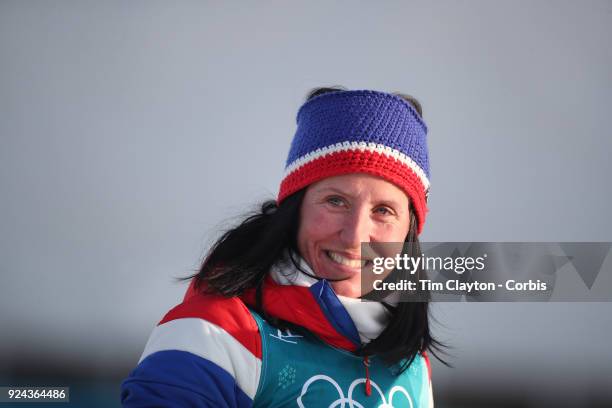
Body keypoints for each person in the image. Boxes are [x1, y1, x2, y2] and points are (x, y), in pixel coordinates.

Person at [121, 86, 443, 407]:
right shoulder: (214, 333)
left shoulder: (411, 366)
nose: (354, 235)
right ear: (296, 208)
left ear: (408, 234)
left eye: (383, 211)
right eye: (336, 201)